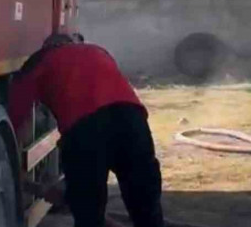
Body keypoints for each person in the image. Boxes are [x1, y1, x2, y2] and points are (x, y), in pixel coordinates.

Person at [9, 34, 164, 227]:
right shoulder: (98, 51)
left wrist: (14, 165)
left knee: (88, 211)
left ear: (47, 47)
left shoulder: (40, 61)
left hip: (86, 129)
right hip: (132, 120)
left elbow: (18, 114)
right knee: (145, 200)